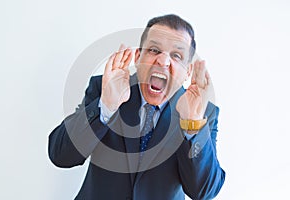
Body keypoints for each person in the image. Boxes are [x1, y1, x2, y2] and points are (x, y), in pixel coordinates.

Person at [48, 14, 225, 200]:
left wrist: (192, 124)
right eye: (154, 50)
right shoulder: (105, 88)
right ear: (138, 57)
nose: (163, 61)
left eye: (177, 55)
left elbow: (204, 191)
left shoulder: (203, 113)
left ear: (187, 71)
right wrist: (106, 106)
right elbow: (60, 155)